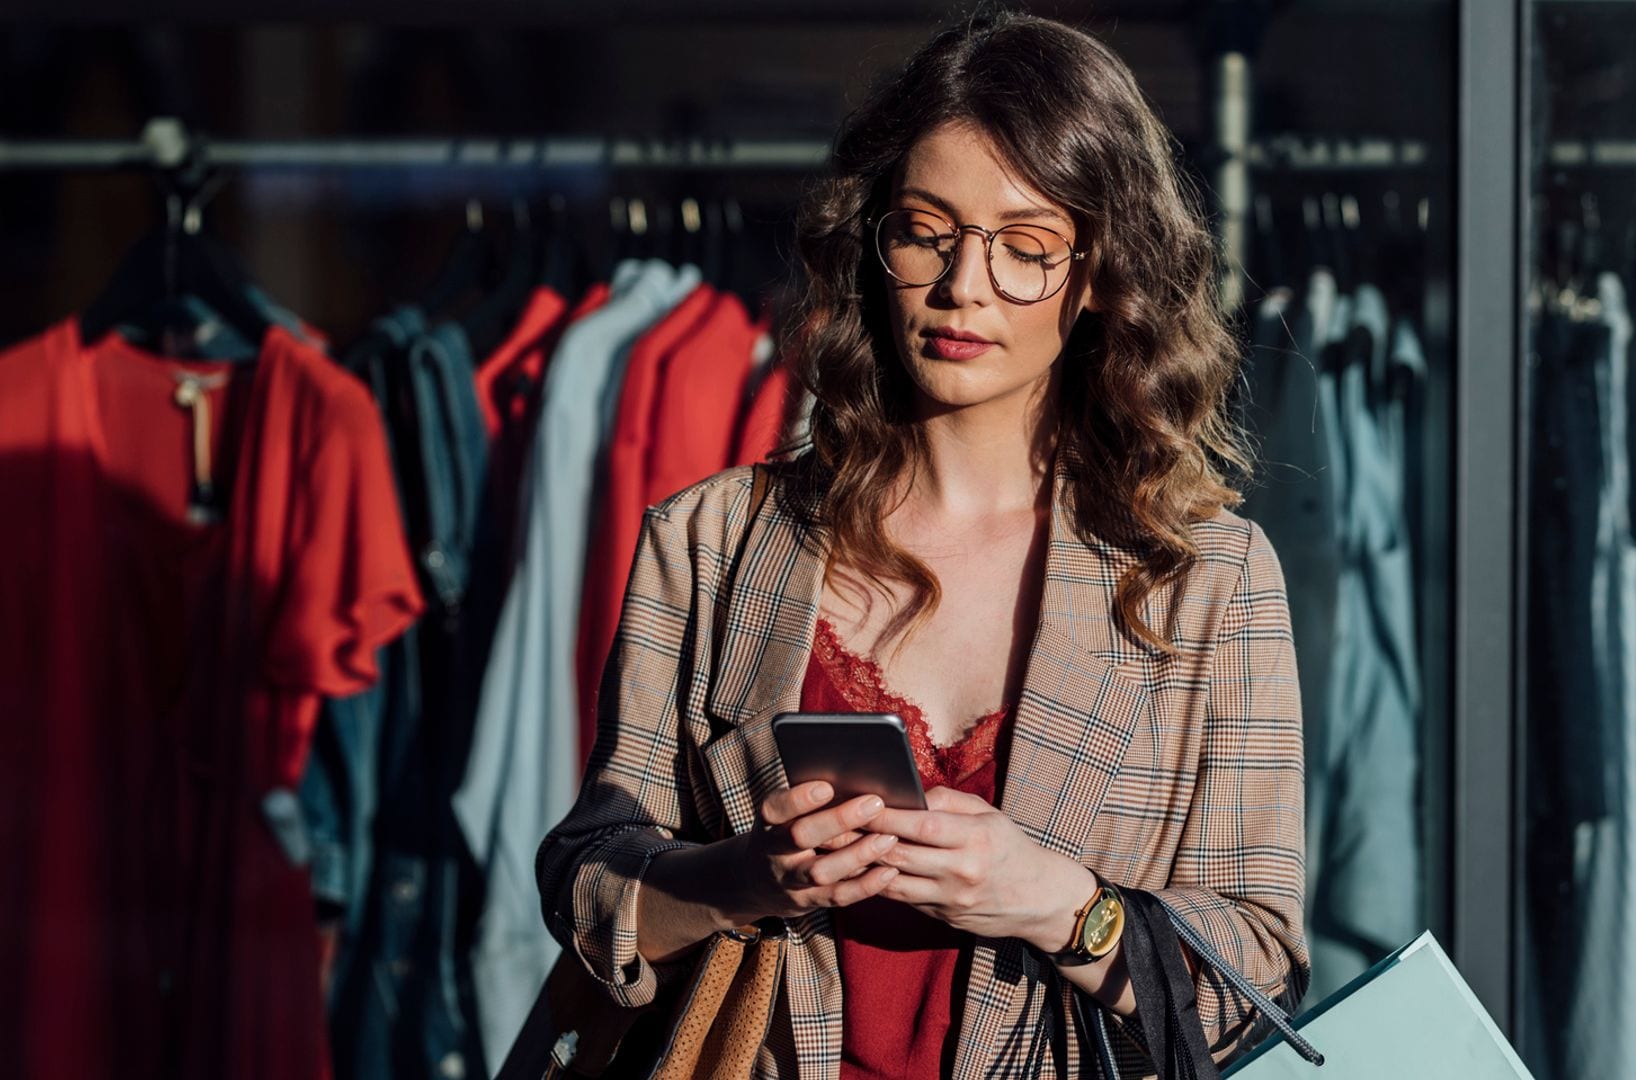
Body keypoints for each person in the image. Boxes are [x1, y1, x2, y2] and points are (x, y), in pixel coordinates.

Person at [536, 11, 1309, 1077]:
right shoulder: (711, 541)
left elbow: (1257, 982)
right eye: (926, 232)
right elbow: (587, 881)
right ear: (873, 241)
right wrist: (746, 879)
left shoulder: (1207, 580)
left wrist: (1059, 906)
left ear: (1099, 275)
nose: (963, 287)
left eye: (1026, 247)